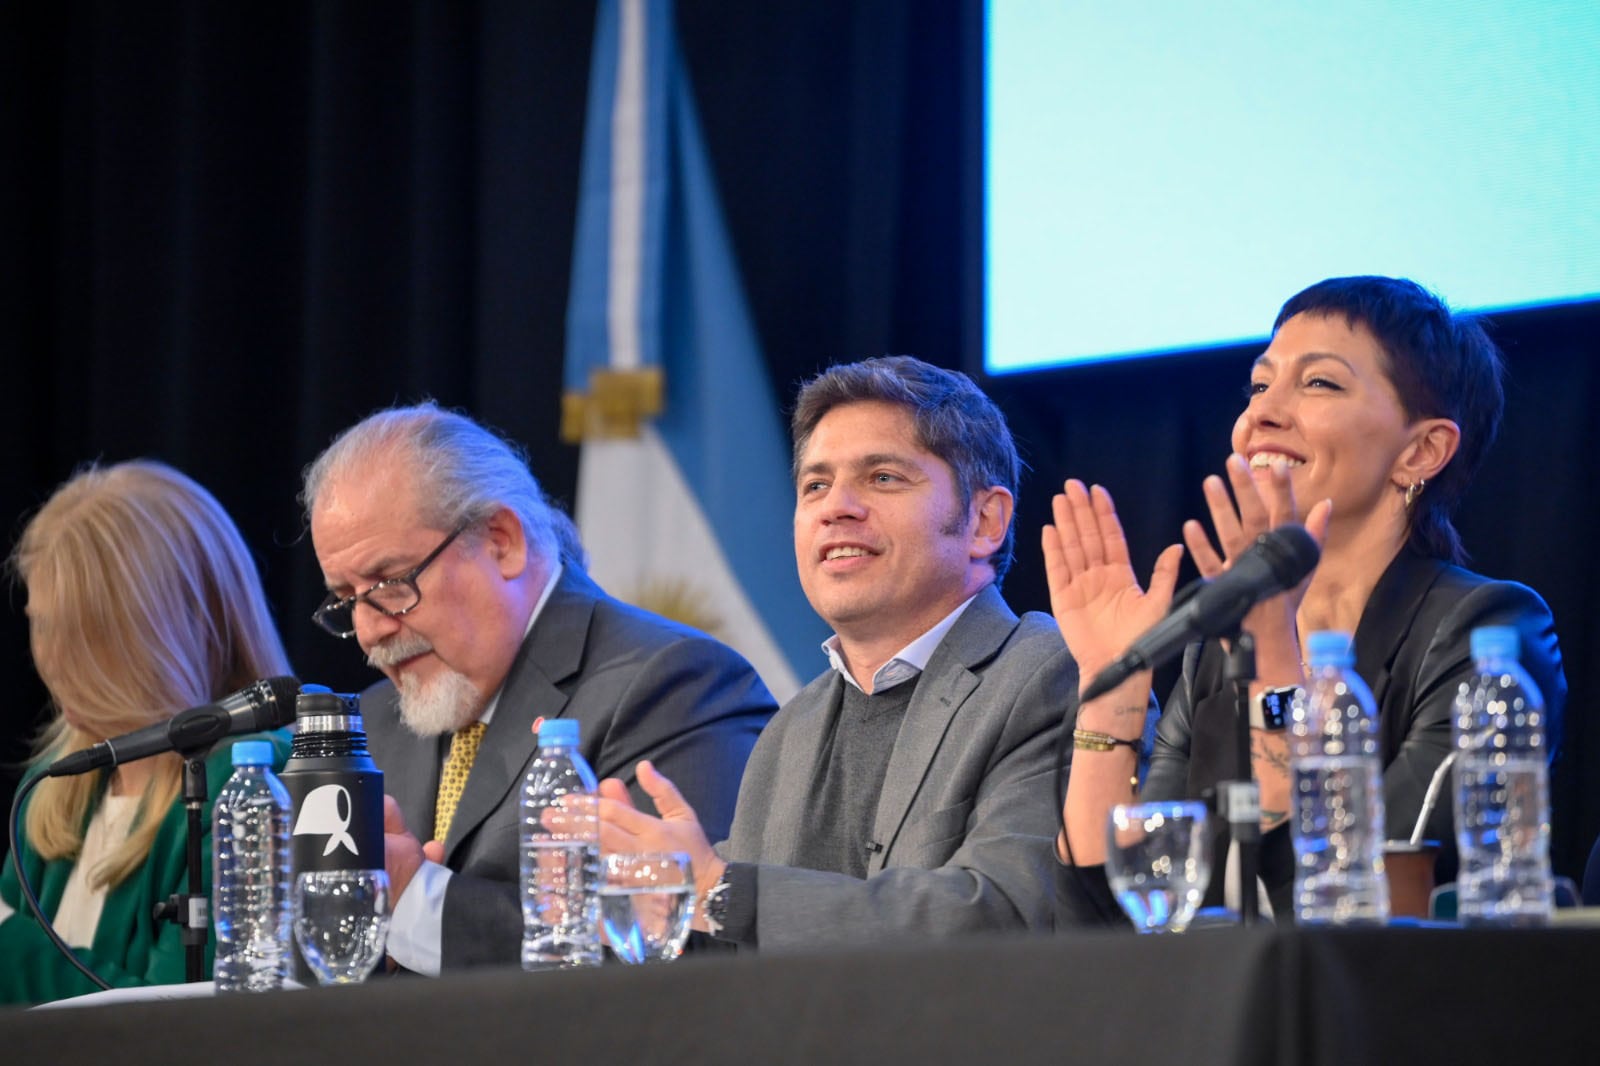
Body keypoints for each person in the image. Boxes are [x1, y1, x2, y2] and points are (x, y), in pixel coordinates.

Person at [1049, 275, 1567, 919]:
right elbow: (1119, 904)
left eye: (1319, 382)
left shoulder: (1483, 628)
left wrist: (1273, 661)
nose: (1259, 413)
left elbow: (1354, 890)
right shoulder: (1215, 649)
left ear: (1422, 450)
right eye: (1260, 384)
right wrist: (1112, 689)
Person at [598, 356, 1078, 949]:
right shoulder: (791, 727)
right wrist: (638, 905)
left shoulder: (1046, 674)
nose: (835, 507)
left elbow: (1001, 914)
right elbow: (741, 946)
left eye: (882, 477)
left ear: (985, 521)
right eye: (815, 486)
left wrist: (718, 889)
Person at [301, 402, 776, 972]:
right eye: (346, 599)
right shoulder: (373, 724)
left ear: (501, 540)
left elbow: (682, 949)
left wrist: (414, 902)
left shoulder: (673, 684)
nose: (369, 630)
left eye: (390, 582)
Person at [0, 461, 294, 1005]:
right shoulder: (54, 787)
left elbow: (169, 1027)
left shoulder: (249, 784)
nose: (51, 660)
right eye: (40, 623)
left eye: (81, 635)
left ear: (170, 634)